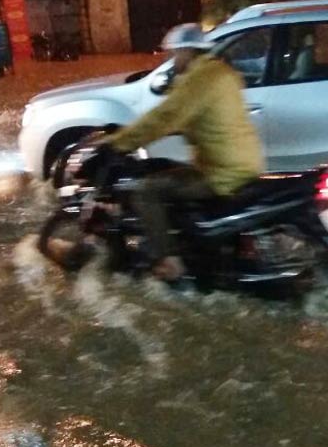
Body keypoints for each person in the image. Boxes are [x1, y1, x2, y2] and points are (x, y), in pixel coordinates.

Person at [102, 23, 266, 281]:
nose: (170, 60)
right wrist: (131, 132)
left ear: (189, 51)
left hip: (222, 171)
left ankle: (168, 261)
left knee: (146, 190)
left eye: (174, 54)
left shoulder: (199, 80)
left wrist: (117, 144)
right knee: (167, 169)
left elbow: (165, 116)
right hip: (243, 162)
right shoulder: (218, 72)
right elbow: (194, 119)